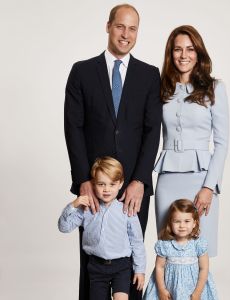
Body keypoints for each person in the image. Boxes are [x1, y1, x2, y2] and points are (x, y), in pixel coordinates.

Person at [64, 4, 161, 299]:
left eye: (132, 29)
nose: (125, 34)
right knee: (91, 261)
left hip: (132, 186)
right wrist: (83, 179)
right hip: (95, 186)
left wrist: (140, 181)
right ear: (108, 26)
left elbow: (151, 130)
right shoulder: (82, 72)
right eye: (120, 26)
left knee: (132, 261)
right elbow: (73, 128)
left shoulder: (149, 74)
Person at [154, 25, 229, 257]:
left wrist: (209, 187)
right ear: (171, 53)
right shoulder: (161, 89)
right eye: (178, 49)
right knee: (168, 253)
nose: (184, 55)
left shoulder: (215, 88)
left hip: (201, 180)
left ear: (198, 53)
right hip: (167, 180)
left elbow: (222, 142)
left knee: (199, 255)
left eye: (190, 49)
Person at [58, 157, 146, 300]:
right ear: (93, 184)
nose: (106, 189)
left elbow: (137, 242)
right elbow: (64, 227)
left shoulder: (126, 211)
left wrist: (140, 270)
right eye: (101, 184)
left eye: (112, 184)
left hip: (121, 266)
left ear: (120, 184)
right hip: (96, 267)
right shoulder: (86, 209)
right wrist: (73, 205)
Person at [143, 199, 218, 300]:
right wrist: (161, 289)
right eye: (177, 221)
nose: (182, 226)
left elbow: (204, 268)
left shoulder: (198, 245)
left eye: (187, 221)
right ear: (170, 223)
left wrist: (198, 292)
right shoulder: (165, 245)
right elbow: (159, 267)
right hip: (170, 290)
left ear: (194, 223)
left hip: (193, 290)